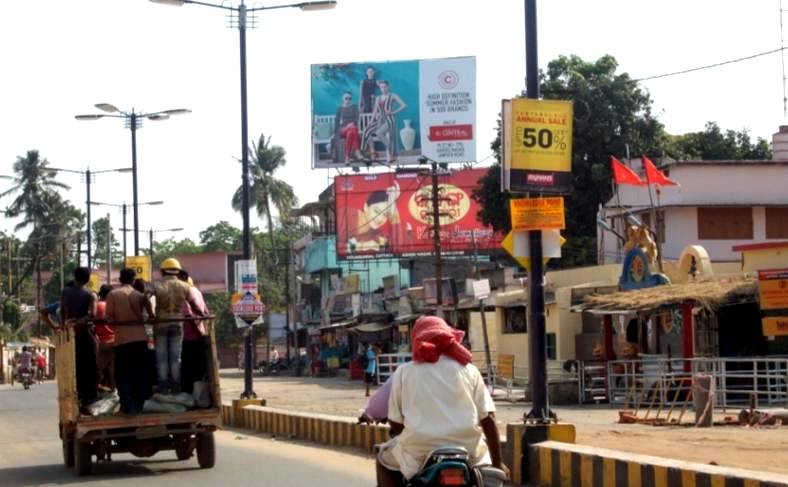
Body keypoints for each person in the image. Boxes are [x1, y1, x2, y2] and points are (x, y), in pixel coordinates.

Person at [376, 316, 508, 486]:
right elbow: (488, 418)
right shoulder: (470, 370)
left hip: (417, 452)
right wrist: (498, 463)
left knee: (383, 460)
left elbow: (395, 423)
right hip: (469, 450)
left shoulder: (404, 372)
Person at [153, 258, 204, 394]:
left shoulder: (157, 286)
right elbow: (194, 305)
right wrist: (201, 314)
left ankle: (163, 386)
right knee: (176, 358)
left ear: (163, 271)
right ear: (178, 271)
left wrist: (151, 315)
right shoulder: (184, 286)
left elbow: (146, 299)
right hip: (177, 323)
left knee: (162, 357)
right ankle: (176, 387)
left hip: (161, 324)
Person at [107, 268, 155, 414]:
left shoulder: (113, 294)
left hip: (122, 340)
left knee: (122, 374)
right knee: (140, 373)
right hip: (140, 339)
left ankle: (127, 404)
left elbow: (109, 317)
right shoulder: (140, 296)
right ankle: (139, 404)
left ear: (120, 279)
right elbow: (150, 315)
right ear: (133, 280)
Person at [61, 267, 98, 407]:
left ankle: (77, 394)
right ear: (88, 279)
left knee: (74, 365)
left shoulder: (65, 291)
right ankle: (90, 396)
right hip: (85, 333)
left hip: (70, 334)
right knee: (90, 365)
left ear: (74, 276)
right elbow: (92, 315)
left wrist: (67, 324)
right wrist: (79, 322)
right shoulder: (91, 294)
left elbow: (63, 311)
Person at [347, 181, 402, 254]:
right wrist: (361, 245)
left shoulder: (379, 236)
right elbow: (336, 247)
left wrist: (393, 203)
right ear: (366, 207)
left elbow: (398, 247)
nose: (380, 219)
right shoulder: (347, 215)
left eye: (385, 215)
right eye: (376, 211)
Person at [178, 270, 209, 395]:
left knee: (187, 370)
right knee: (199, 369)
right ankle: (199, 397)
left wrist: (197, 331)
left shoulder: (185, 293)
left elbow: (188, 316)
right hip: (199, 336)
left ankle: (189, 395)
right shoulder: (197, 291)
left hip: (190, 337)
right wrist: (203, 332)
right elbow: (205, 312)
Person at [361, 80, 407, 163]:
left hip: (389, 120)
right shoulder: (378, 98)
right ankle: (363, 152)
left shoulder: (393, 95)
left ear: (388, 87)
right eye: (381, 87)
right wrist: (371, 121)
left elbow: (404, 105)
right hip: (380, 120)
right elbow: (375, 111)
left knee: (379, 133)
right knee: (366, 131)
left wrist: (393, 112)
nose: (383, 89)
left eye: (385, 87)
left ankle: (391, 151)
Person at [95, 284, 116, 391]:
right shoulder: (114, 306)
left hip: (102, 341)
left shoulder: (98, 306)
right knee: (113, 371)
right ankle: (114, 392)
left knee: (98, 369)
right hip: (116, 341)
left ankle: (93, 391)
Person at [333, 91, 364, 164]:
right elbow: (336, 121)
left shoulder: (354, 107)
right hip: (343, 129)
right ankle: (357, 151)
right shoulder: (340, 108)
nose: (348, 100)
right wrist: (336, 132)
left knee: (350, 133)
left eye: (349, 98)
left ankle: (347, 158)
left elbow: (357, 118)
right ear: (343, 99)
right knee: (353, 128)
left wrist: (352, 124)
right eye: (346, 98)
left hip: (352, 129)